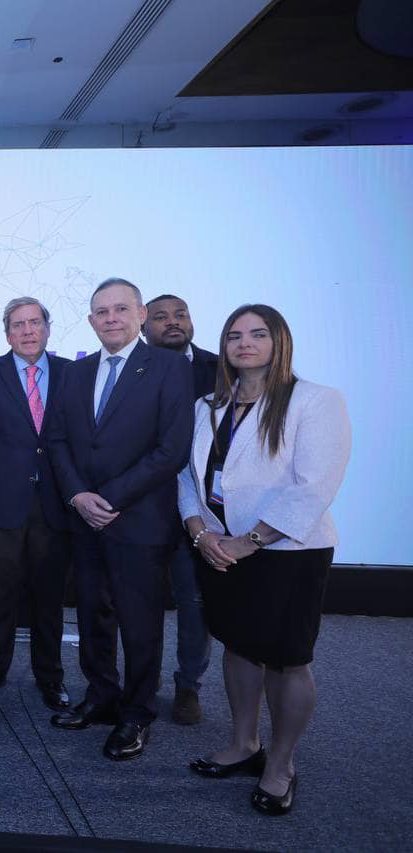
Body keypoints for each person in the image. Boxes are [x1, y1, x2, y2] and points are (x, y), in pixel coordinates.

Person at [181, 305, 350, 816]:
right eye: (234, 335)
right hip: (218, 546)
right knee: (237, 645)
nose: (244, 343)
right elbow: (191, 476)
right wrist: (200, 530)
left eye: (257, 334)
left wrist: (248, 540)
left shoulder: (315, 401)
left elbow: (314, 485)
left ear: (280, 341)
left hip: (286, 553)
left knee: (286, 658)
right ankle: (243, 744)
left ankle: (280, 764)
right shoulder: (208, 405)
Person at [47, 278, 193, 761]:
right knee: (92, 615)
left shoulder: (169, 367)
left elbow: (170, 450)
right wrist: (77, 495)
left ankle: (137, 712)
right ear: (90, 321)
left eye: (120, 310)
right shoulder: (75, 372)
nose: (110, 318)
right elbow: (59, 440)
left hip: (138, 519)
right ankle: (101, 695)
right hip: (84, 519)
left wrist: (107, 499)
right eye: (101, 312)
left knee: (140, 623)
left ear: (140, 314)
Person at [0, 297, 72, 710]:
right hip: (1, 505)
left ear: (47, 327)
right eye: (18, 325)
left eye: (35, 322)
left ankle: (51, 677)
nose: (27, 331)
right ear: (7, 334)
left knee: (49, 599)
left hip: (56, 506)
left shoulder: (71, 374)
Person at [144, 293, 221, 724]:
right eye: (161, 317)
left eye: (181, 315)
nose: (173, 323)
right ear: (143, 325)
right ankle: (144, 679)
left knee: (194, 603)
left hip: (201, 509)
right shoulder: (129, 369)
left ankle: (188, 685)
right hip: (145, 504)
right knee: (143, 601)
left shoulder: (219, 369)